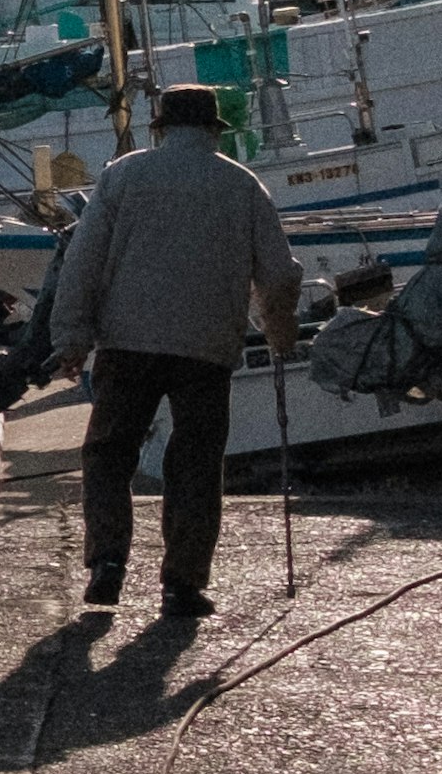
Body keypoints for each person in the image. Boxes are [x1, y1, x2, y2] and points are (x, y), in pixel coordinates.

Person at [46, 81, 302, 625]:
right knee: (195, 462)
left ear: (160, 129)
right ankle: (183, 584)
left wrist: (70, 338)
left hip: (128, 341)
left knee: (109, 453)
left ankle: (108, 563)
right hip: (207, 346)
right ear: (213, 130)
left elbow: (82, 263)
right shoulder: (243, 184)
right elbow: (278, 274)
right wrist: (279, 333)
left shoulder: (123, 176)